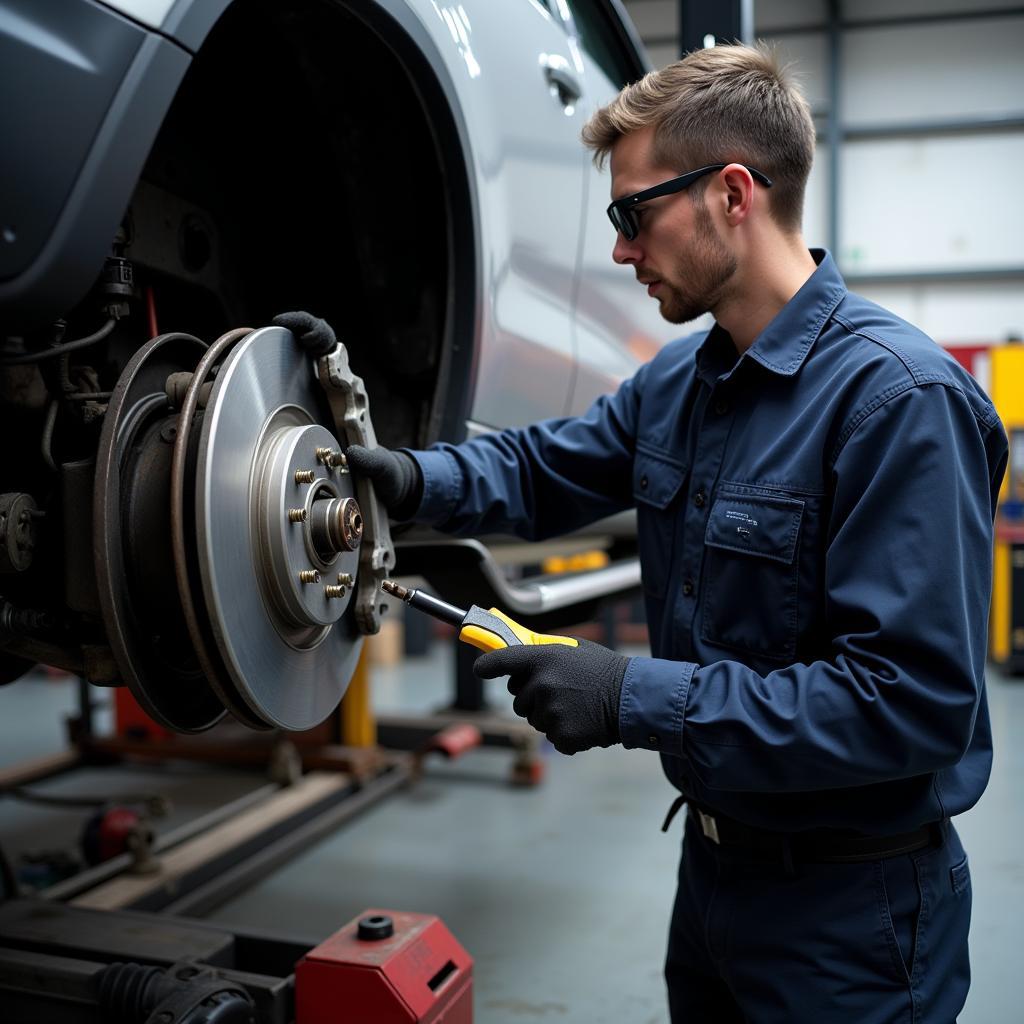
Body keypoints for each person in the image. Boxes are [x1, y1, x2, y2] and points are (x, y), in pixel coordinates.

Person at [294, 42, 1007, 1022]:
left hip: (852, 913)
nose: (622, 251)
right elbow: (546, 466)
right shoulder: (681, 381)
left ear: (731, 194)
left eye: (634, 215)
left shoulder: (898, 401)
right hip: (711, 874)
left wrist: (633, 695)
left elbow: (908, 704)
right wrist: (415, 477)